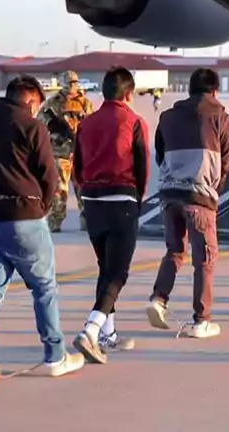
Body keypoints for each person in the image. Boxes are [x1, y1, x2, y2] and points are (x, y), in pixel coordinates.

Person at [0, 76, 85, 377]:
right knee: (44, 288)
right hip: (25, 219)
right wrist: (41, 208)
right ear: (31, 101)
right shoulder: (33, 127)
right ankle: (55, 355)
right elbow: (49, 176)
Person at [70, 67, 150, 362]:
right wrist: (137, 199)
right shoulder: (134, 121)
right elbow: (142, 166)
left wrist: (84, 192)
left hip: (91, 201)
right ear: (129, 94)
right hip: (121, 199)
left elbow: (76, 166)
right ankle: (91, 330)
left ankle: (108, 333)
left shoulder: (86, 123)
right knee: (118, 272)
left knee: (105, 267)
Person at [146, 68, 229, 339]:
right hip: (200, 196)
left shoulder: (167, 116)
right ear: (215, 90)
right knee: (205, 259)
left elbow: (159, 154)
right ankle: (201, 319)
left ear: (189, 89)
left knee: (174, 250)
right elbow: (227, 160)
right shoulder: (219, 115)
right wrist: (214, 189)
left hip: (170, 193)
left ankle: (158, 299)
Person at [39, 71, 95, 232]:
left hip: (80, 152)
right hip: (59, 152)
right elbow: (40, 123)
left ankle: (87, 222)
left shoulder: (85, 103)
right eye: (69, 83)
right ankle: (54, 223)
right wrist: (54, 127)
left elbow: (92, 124)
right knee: (59, 191)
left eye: (74, 83)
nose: (72, 86)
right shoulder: (52, 104)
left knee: (83, 189)